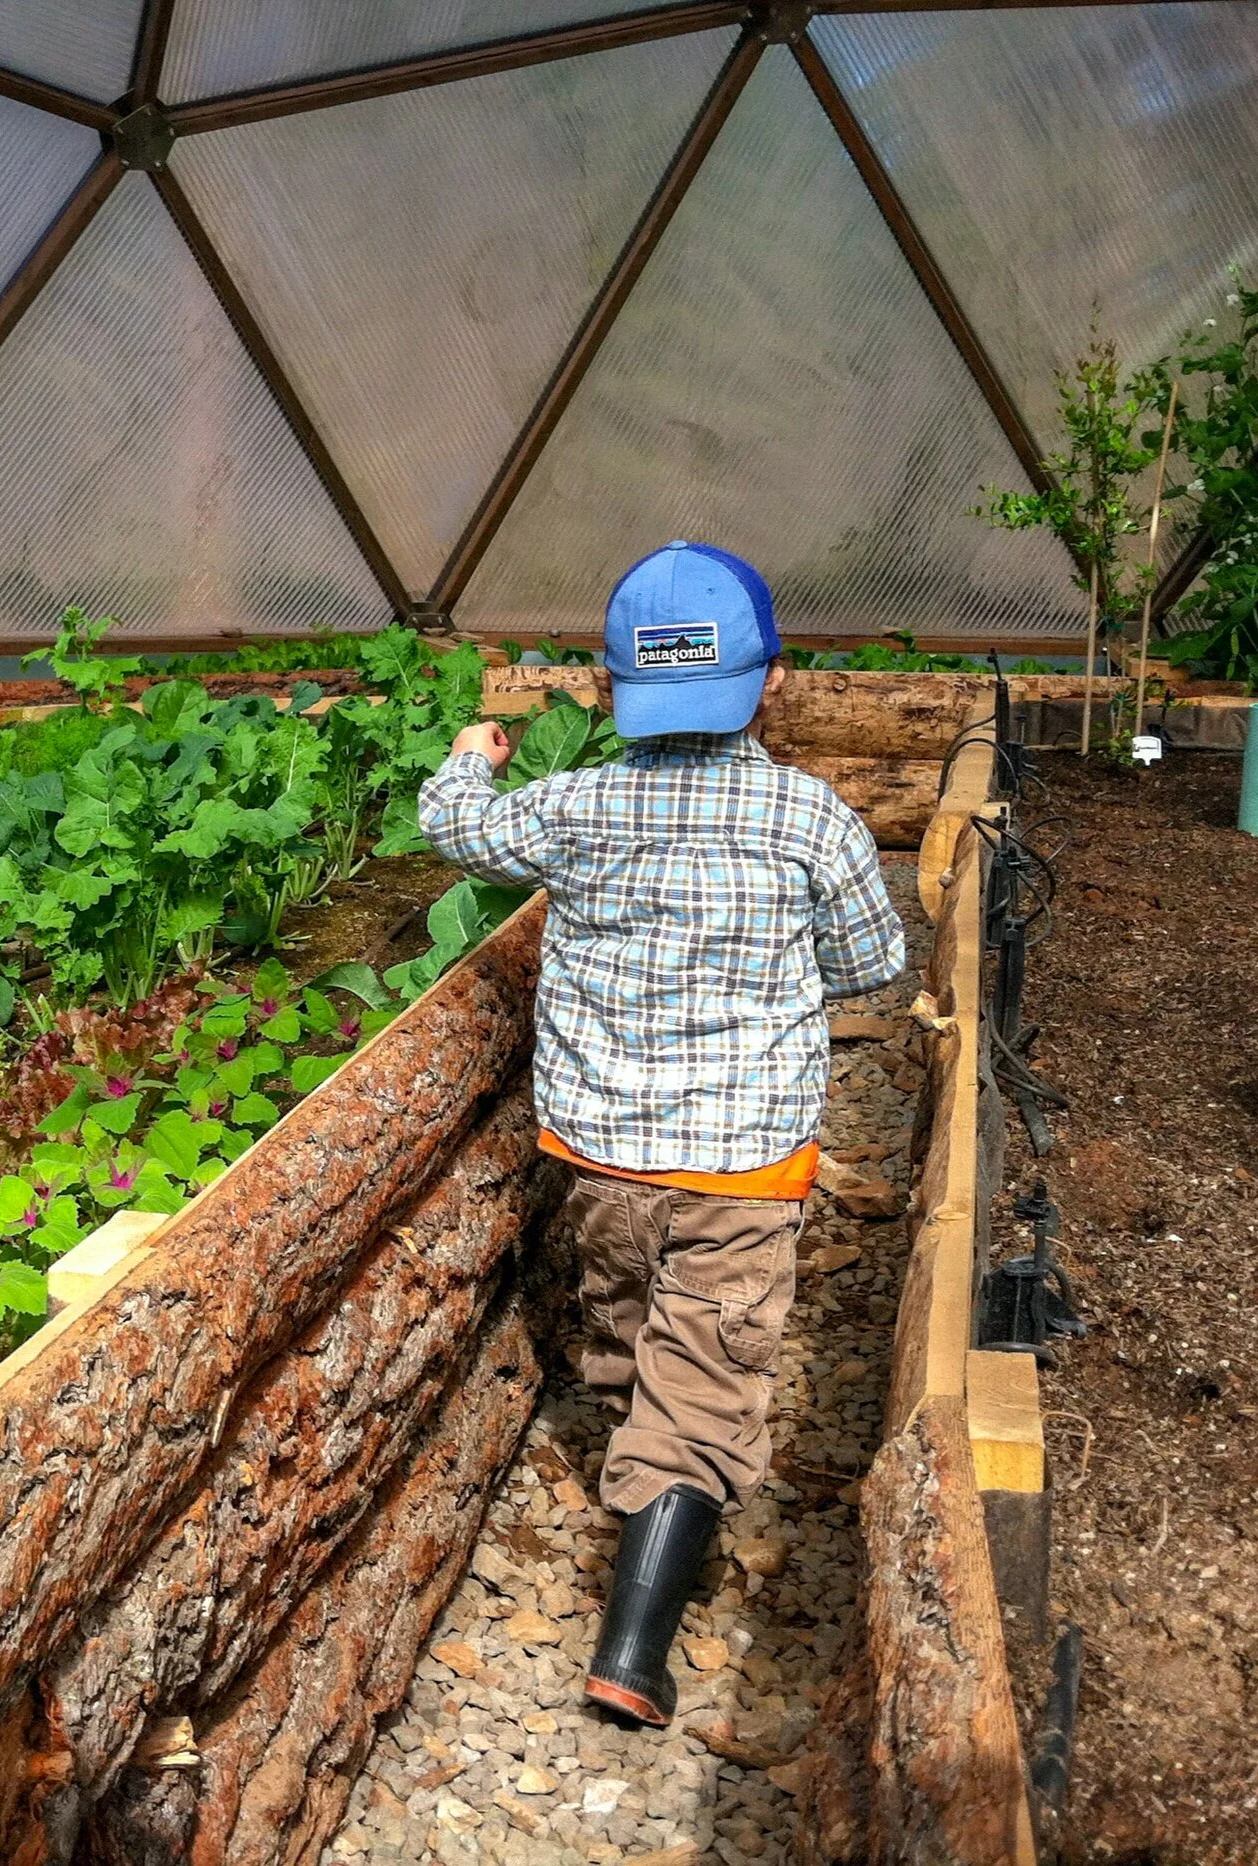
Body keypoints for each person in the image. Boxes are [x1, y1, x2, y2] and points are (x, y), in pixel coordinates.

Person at [418, 541, 905, 1727]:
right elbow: (875, 963)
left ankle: (644, 1440)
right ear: (770, 679)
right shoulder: (810, 818)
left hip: (601, 1155)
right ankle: (633, 1650)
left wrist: (465, 762)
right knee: (710, 1371)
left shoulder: (573, 804)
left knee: (631, 1307)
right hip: (744, 1167)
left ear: (610, 680)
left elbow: (456, 831)